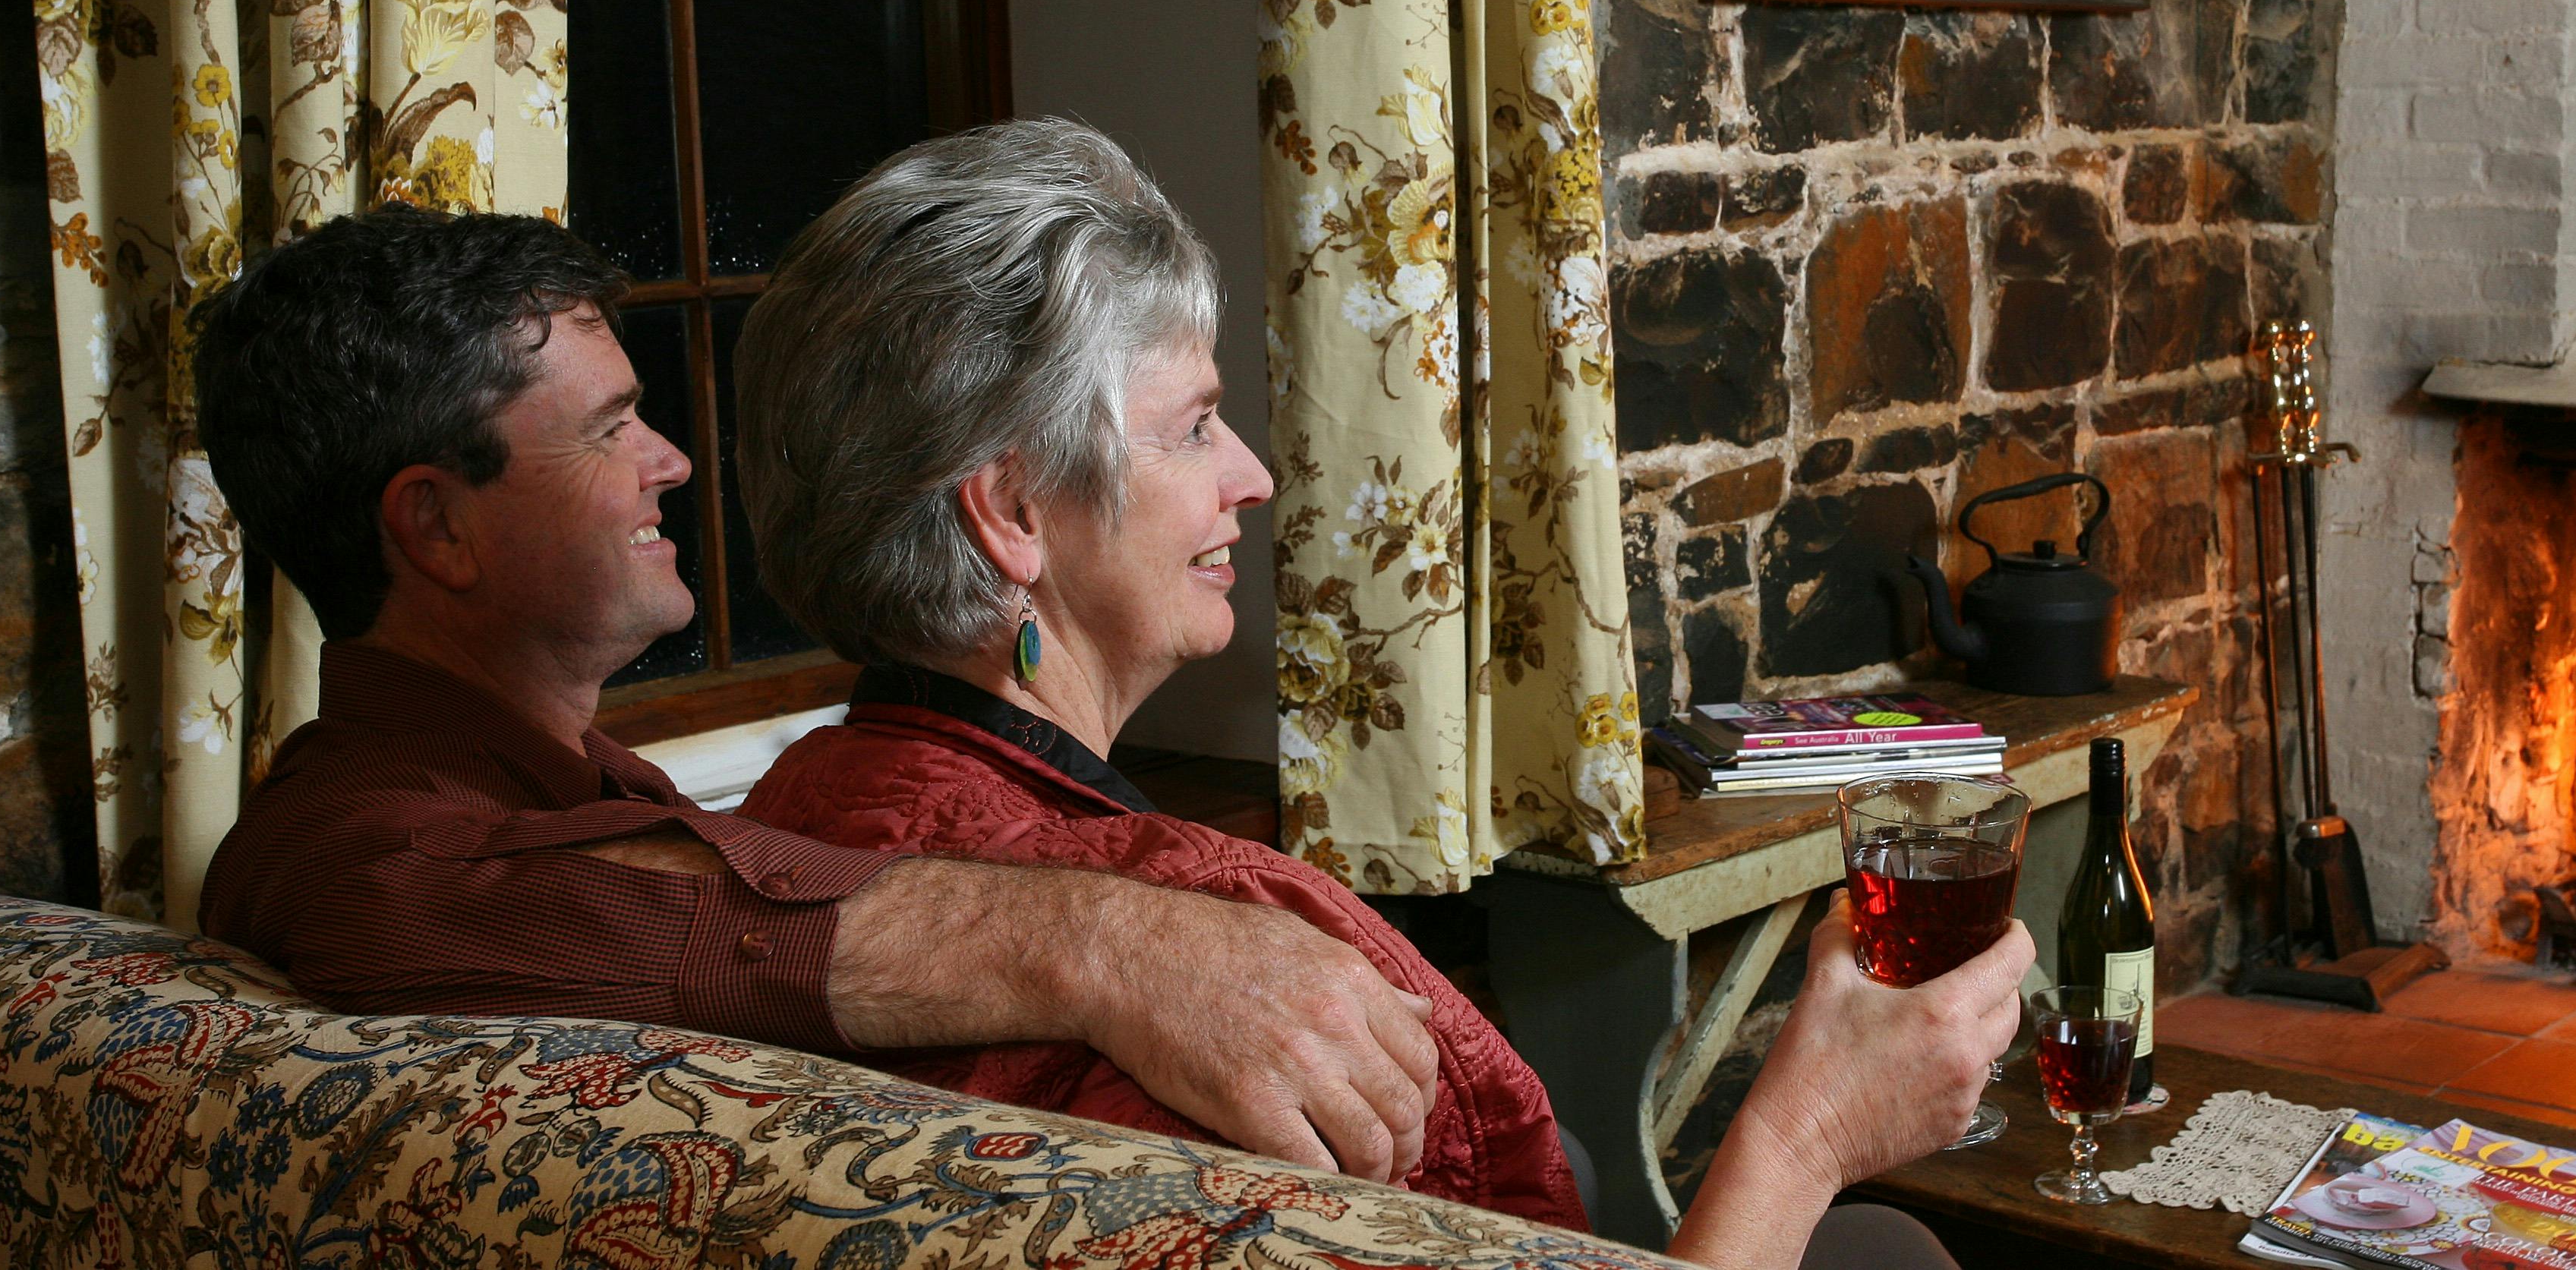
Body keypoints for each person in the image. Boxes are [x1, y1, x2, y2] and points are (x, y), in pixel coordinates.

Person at [732, 121, 2028, 1270]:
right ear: (1015, 511)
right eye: (1191, 426)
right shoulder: (1218, 973)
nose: (1249, 474)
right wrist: (1807, 1130)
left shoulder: (779, 837)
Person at [190, 206, 1445, 1186]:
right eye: (609, 429)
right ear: (437, 527)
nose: (669, 462)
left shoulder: (581, 780)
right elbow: (421, 901)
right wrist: (1107, 942)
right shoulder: (346, 838)